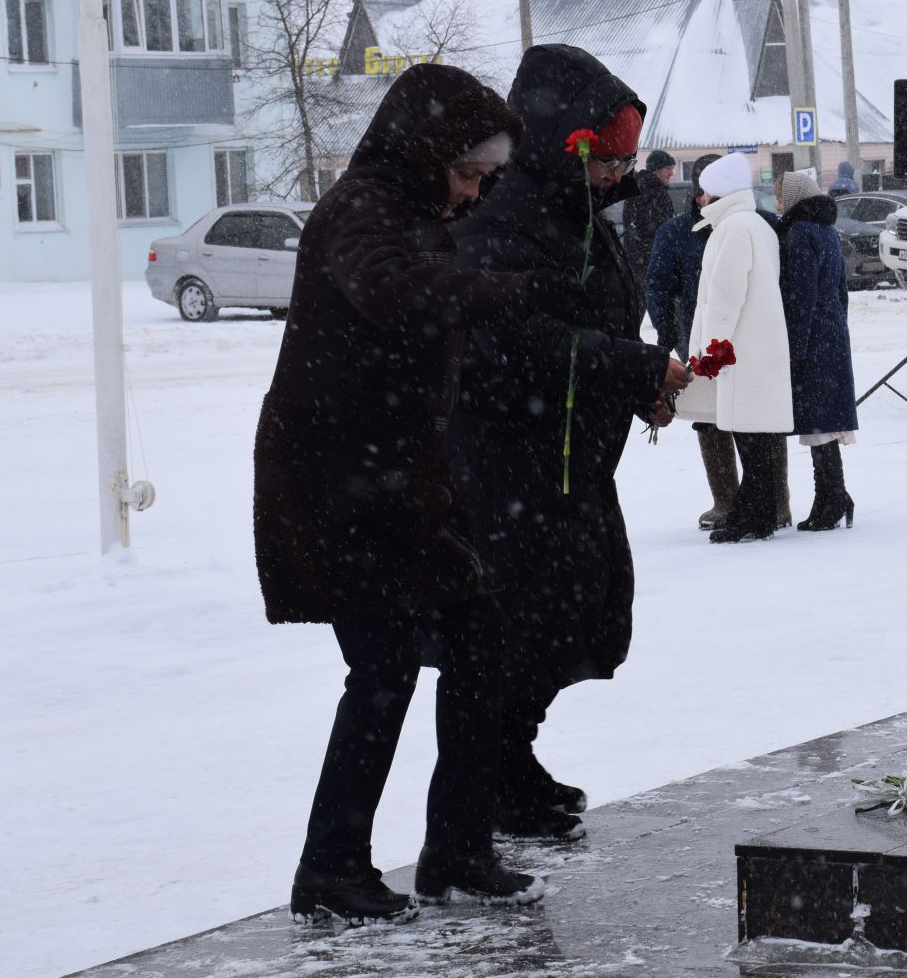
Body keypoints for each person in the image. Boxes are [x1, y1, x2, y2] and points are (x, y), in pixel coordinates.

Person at [253, 62, 600, 924]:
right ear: (425, 152)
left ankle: (456, 853)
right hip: (340, 484)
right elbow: (395, 295)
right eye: (468, 174)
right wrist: (507, 292)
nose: (475, 195)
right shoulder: (362, 210)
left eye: (486, 179)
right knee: (381, 672)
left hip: (403, 479)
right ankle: (329, 870)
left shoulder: (416, 211)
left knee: (479, 651)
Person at [450, 45, 690, 842]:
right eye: (607, 158)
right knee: (515, 631)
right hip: (510, 463)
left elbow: (597, 313)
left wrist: (636, 385)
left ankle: (512, 760)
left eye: (625, 160)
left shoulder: (576, 208)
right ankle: (489, 783)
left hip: (570, 462)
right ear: (565, 141)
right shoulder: (501, 212)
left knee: (578, 613)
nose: (617, 175)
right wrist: (632, 366)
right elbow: (522, 337)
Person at [646, 156, 793, 532]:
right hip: (756, 345)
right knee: (756, 434)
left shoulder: (731, 230)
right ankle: (758, 509)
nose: (702, 197)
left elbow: (725, 297)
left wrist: (713, 350)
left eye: (707, 189)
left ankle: (753, 515)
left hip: (737, 349)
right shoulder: (754, 224)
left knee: (748, 435)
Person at [776, 169, 858, 530]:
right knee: (824, 422)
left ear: (794, 198)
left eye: (781, 197)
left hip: (812, 337)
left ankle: (832, 498)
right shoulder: (827, 230)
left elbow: (800, 295)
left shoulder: (799, 232)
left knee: (818, 422)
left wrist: (795, 348)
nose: (778, 205)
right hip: (833, 333)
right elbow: (842, 290)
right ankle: (832, 495)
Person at [621, 148, 677, 281]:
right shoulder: (655, 192)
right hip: (651, 262)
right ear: (657, 169)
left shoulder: (638, 187)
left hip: (637, 263)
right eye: (668, 168)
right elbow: (661, 229)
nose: (671, 173)